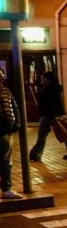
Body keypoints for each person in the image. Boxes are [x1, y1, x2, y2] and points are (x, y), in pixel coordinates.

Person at [29, 71, 67, 162]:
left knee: (42, 135)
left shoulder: (50, 89)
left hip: (49, 115)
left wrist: (52, 115)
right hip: (53, 114)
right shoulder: (53, 88)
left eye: (43, 77)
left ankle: (37, 154)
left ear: (47, 79)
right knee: (64, 134)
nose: (41, 79)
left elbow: (51, 103)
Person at [0, 68, 23, 200]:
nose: (0, 79)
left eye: (1, 77)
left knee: (6, 162)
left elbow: (15, 108)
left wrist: (17, 123)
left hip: (6, 131)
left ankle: (6, 189)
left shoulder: (6, 91)